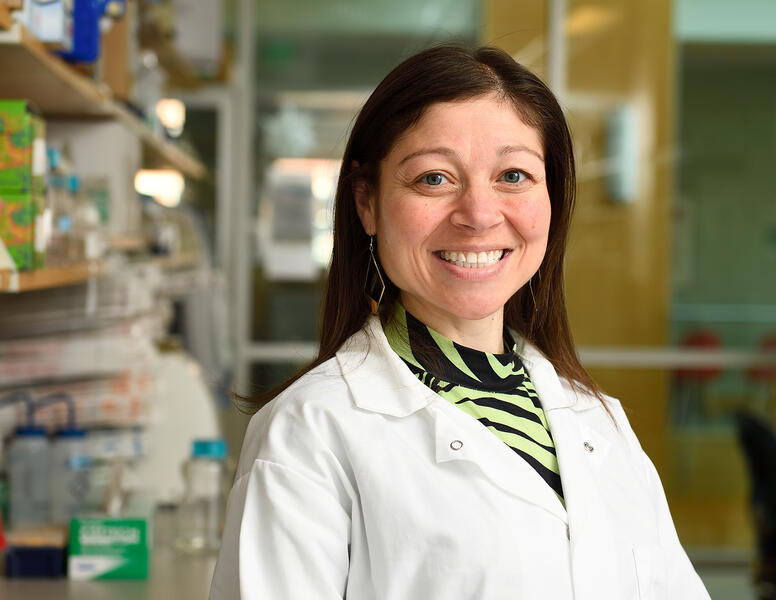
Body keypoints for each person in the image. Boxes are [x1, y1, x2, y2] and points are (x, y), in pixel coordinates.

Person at [210, 45, 710, 600]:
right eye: (433, 179)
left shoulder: (598, 421)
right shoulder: (310, 431)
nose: (478, 214)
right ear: (367, 203)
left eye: (513, 175)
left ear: (552, 200)